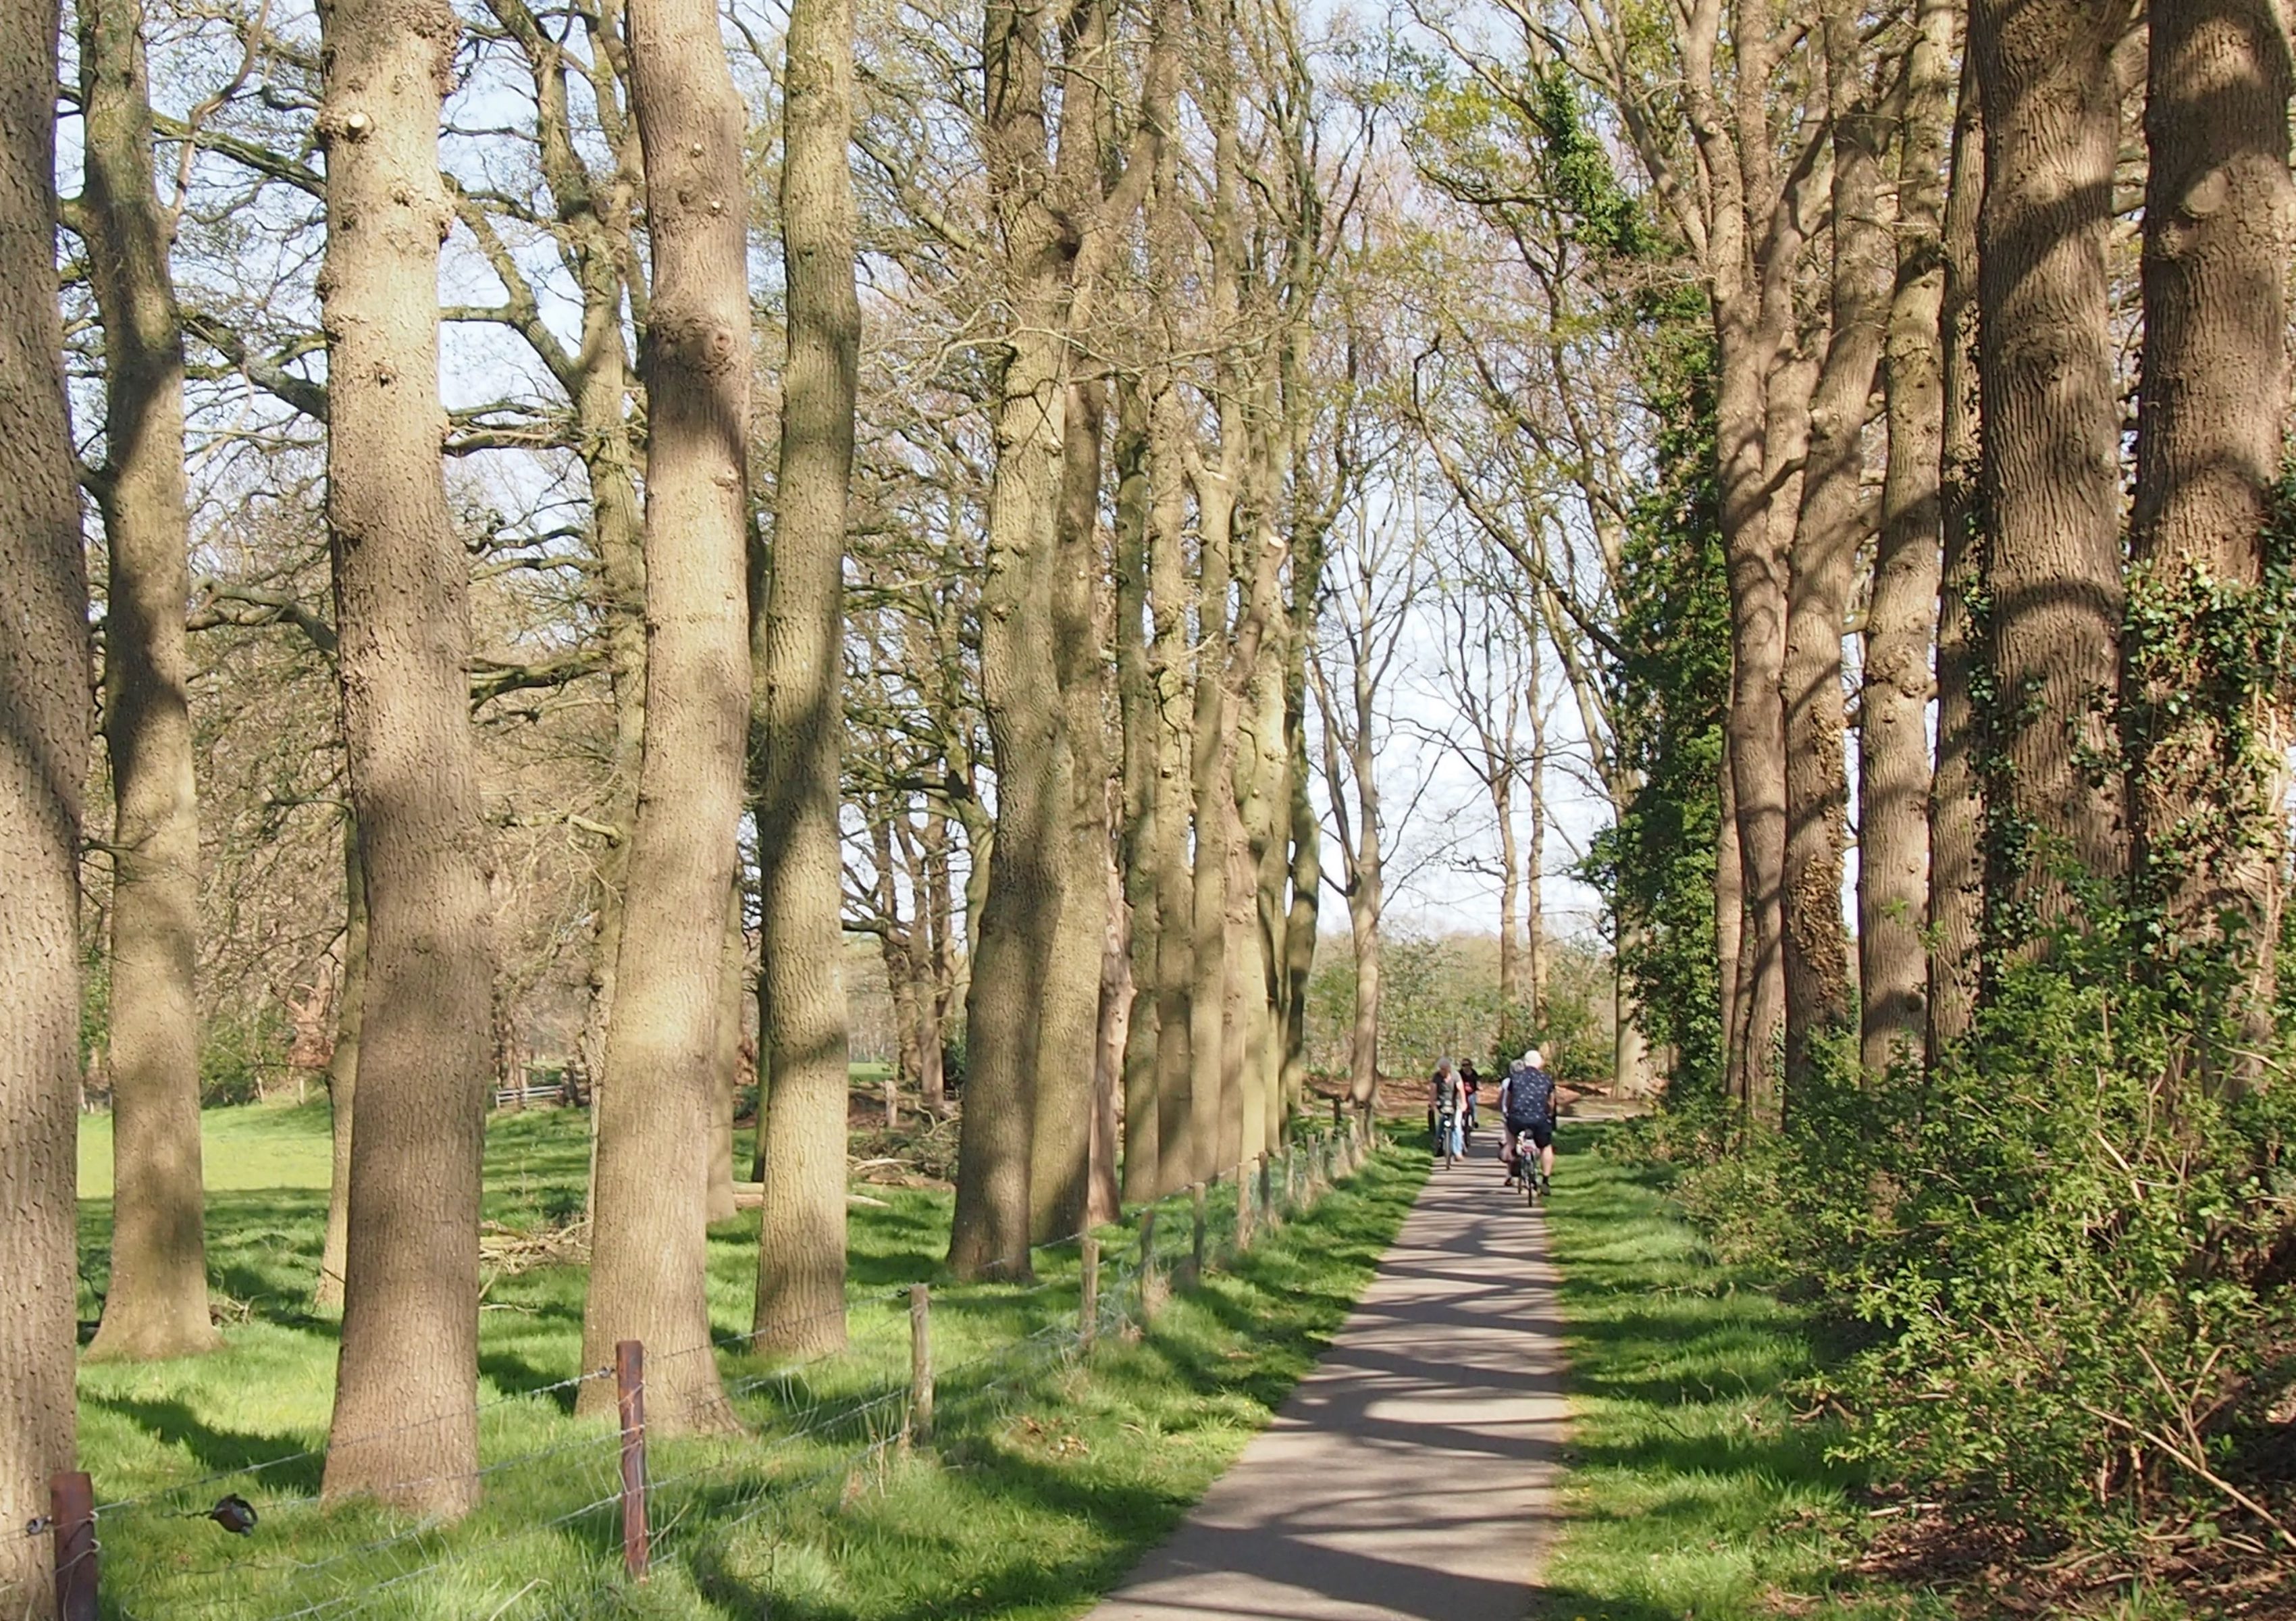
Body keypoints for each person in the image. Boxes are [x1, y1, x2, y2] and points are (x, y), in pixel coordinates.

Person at [1499, 1047, 1557, 1191]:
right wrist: (1550, 1114)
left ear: (1525, 1063)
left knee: (1510, 1127)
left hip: (1518, 1118)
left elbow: (1509, 1100)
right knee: (1546, 1147)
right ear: (1540, 1063)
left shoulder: (1515, 1078)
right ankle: (1545, 1181)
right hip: (1540, 1119)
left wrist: (1509, 1112)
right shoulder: (1546, 1079)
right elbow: (1551, 1102)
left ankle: (1513, 1151)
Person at [1428, 1058, 1464, 1164]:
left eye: (1445, 1069)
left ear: (1449, 1068)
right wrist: (1432, 1103)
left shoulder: (1456, 1075)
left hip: (1455, 1102)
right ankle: (1438, 1145)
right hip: (1442, 1102)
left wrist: (1463, 1103)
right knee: (1441, 1123)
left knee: (1457, 1126)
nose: (1443, 1071)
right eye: (1441, 1069)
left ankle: (1458, 1152)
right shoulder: (1437, 1077)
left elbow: (1461, 1089)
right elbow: (1433, 1090)